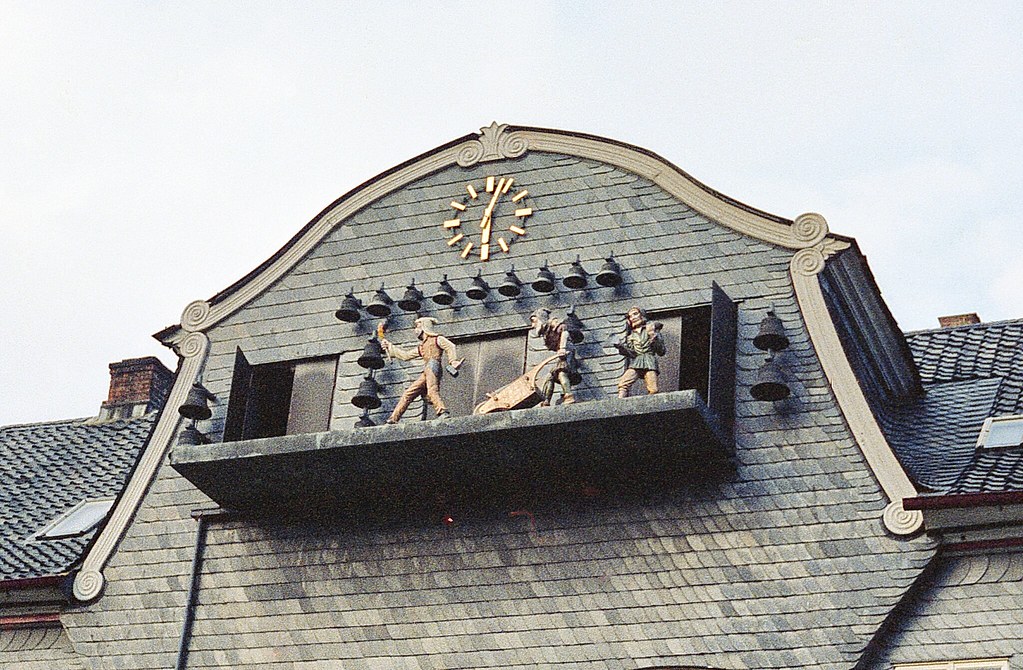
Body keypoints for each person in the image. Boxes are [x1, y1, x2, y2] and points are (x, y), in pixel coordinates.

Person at [381, 316, 461, 423]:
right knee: (408, 393)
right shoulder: (422, 346)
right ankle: (393, 419)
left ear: (424, 327)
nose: (416, 330)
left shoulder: (437, 339)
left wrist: (453, 361)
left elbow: (450, 346)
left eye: (418, 326)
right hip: (427, 369)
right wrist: (390, 347)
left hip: (433, 365)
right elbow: (406, 355)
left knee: (432, 390)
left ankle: (443, 412)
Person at [529, 308, 580, 406]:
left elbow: (565, 333)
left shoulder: (553, 323)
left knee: (561, 372)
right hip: (561, 352)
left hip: (567, 350)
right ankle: (546, 401)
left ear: (540, 319)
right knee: (550, 376)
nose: (533, 325)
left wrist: (562, 348)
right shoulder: (546, 331)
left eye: (534, 322)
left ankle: (569, 396)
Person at [615, 306, 665, 397]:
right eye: (630, 316)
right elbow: (632, 353)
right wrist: (621, 348)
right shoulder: (631, 336)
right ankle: (619, 406)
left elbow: (661, 351)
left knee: (653, 389)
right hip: (637, 362)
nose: (633, 317)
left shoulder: (651, 330)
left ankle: (651, 406)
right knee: (623, 384)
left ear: (641, 315)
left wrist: (655, 339)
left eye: (635, 314)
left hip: (649, 361)